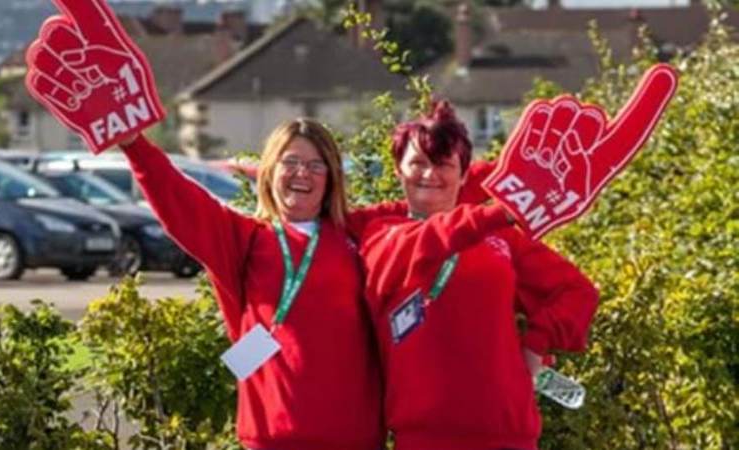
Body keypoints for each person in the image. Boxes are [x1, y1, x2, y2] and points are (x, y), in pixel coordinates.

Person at [118, 120, 392, 450]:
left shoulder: (358, 234)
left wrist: (466, 173)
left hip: (352, 439)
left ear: (331, 176)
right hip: (271, 437)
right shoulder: (245, 239)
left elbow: (433, 203)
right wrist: (134, 144)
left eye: (315, 165)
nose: (301, 173)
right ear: (269, 171)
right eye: (290, 162)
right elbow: (179, 199)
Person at [358, 101, 600, 450]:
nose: (430, 175)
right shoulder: (381, 234)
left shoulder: (501, 239)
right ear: (398, 169)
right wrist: (504, 209)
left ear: (464, 173)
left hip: (505, 429)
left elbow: (576, 291)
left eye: (443, 164)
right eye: (418, 163)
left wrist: (535, 345)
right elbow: (435, 238)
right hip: (425, 433)